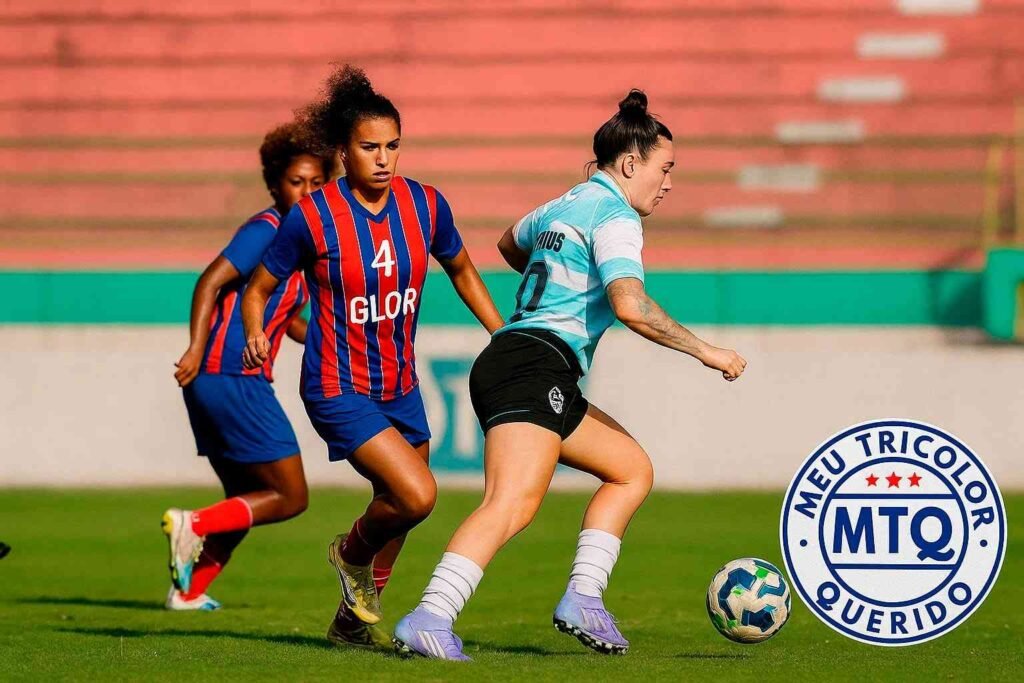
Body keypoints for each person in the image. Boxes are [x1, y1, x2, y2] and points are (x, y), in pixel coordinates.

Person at [394, 90, 748, 660]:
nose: (669, 182)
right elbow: (630, 305)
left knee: (631, 470)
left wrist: (556, 271)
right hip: (534, 364)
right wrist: (705, 351)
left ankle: (584, 597)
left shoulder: (563, 205)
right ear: (631, 165)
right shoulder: (617, 218)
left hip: (525, 360)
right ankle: (431, 615)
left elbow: (511, 242)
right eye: (666, 168)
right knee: (511, 504)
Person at [240, 65, 503, 648]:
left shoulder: (426, 205)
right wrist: (257, 329)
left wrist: (500, 330)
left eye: (392, 146)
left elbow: (460, 267)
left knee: (402, 507)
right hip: (338, 385)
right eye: (369, 147)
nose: (383, 158)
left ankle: (350, 624)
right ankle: (349, 550)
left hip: (400, 385)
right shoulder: (315, 215)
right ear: (344, 151)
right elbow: (257, 287)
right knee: (418, 494)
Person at [161, 123, 334, 611]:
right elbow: (210, 281)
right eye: (295, 182)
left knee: (244, 496)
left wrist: (329, 339)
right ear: (275, 185)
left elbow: (288, 319)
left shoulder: (298, 245)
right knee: (291, 496)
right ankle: (192, 524)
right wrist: (195, 347)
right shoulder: (267, 229)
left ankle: (187, 591)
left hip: (219, 381)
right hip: (230, 376)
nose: (306, 192)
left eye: (316, 183)